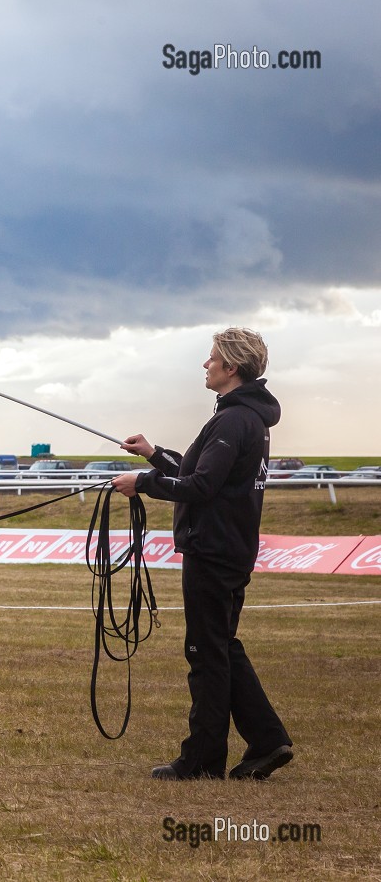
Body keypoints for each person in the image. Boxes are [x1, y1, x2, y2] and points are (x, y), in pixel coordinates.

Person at [110, 328, 292, 781]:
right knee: (221, 648)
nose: (205, 365)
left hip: (214, 551)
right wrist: (154, 456)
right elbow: (201, 474)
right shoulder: (242, 418)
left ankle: (202, 759)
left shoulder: (233, 421)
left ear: (231, 367)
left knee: (205, 654)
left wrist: (143, 484)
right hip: (228, 548)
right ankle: (267, 740)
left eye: (211, 358)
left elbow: (201, 488)